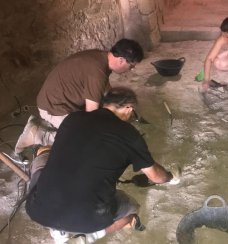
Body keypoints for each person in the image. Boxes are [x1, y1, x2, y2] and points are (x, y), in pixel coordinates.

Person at [25, 87, 179, 243]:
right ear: (128, 109)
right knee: (132, 210)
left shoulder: (73, 118)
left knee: (44, 152)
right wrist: (170, 176)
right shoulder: (129, 134)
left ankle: (59, 232)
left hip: (38, 209)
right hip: (87, 219)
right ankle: (88, 238)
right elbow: (155, 176)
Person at [15, 39, 144, 154]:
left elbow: (106, 92)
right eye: (131, 66)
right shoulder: (96, 73)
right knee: (87, 137)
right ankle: (39, 135)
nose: (131, 69)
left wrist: (120, 105)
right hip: (54, 107)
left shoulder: (100, 57)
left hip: (59, 100)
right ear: (121, 60)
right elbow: (91, 116)